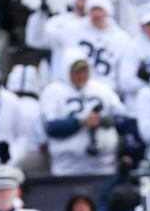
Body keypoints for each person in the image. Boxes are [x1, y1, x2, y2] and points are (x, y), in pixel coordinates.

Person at [39, 47, 127, 175]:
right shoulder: (53, 92)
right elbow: (50, 128)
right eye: (76, 71)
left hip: (103, 164)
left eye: (84, 70)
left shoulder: (102, 89)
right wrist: (80, 122)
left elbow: (124, 119)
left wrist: (102, 120)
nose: (81, 75)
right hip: (67, 165)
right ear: (66, 70)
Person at [25, 0, 98, 82]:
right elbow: (35, 40)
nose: (83, 2)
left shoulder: (102, 27)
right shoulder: (59, 22)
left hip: (93, 81)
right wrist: (41, 12)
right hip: (62, 80)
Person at [73, 0, 130, 90]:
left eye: (99, 10)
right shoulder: (75, 31)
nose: (96, 14)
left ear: (107, 12)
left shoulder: (121, 38)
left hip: (109, 88)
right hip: (82, 87)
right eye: (93, 10)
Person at [118, 3, 150, 114]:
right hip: (135, 109)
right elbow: (125, 82)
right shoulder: (132, 46)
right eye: (148, 24)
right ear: (142, 25)